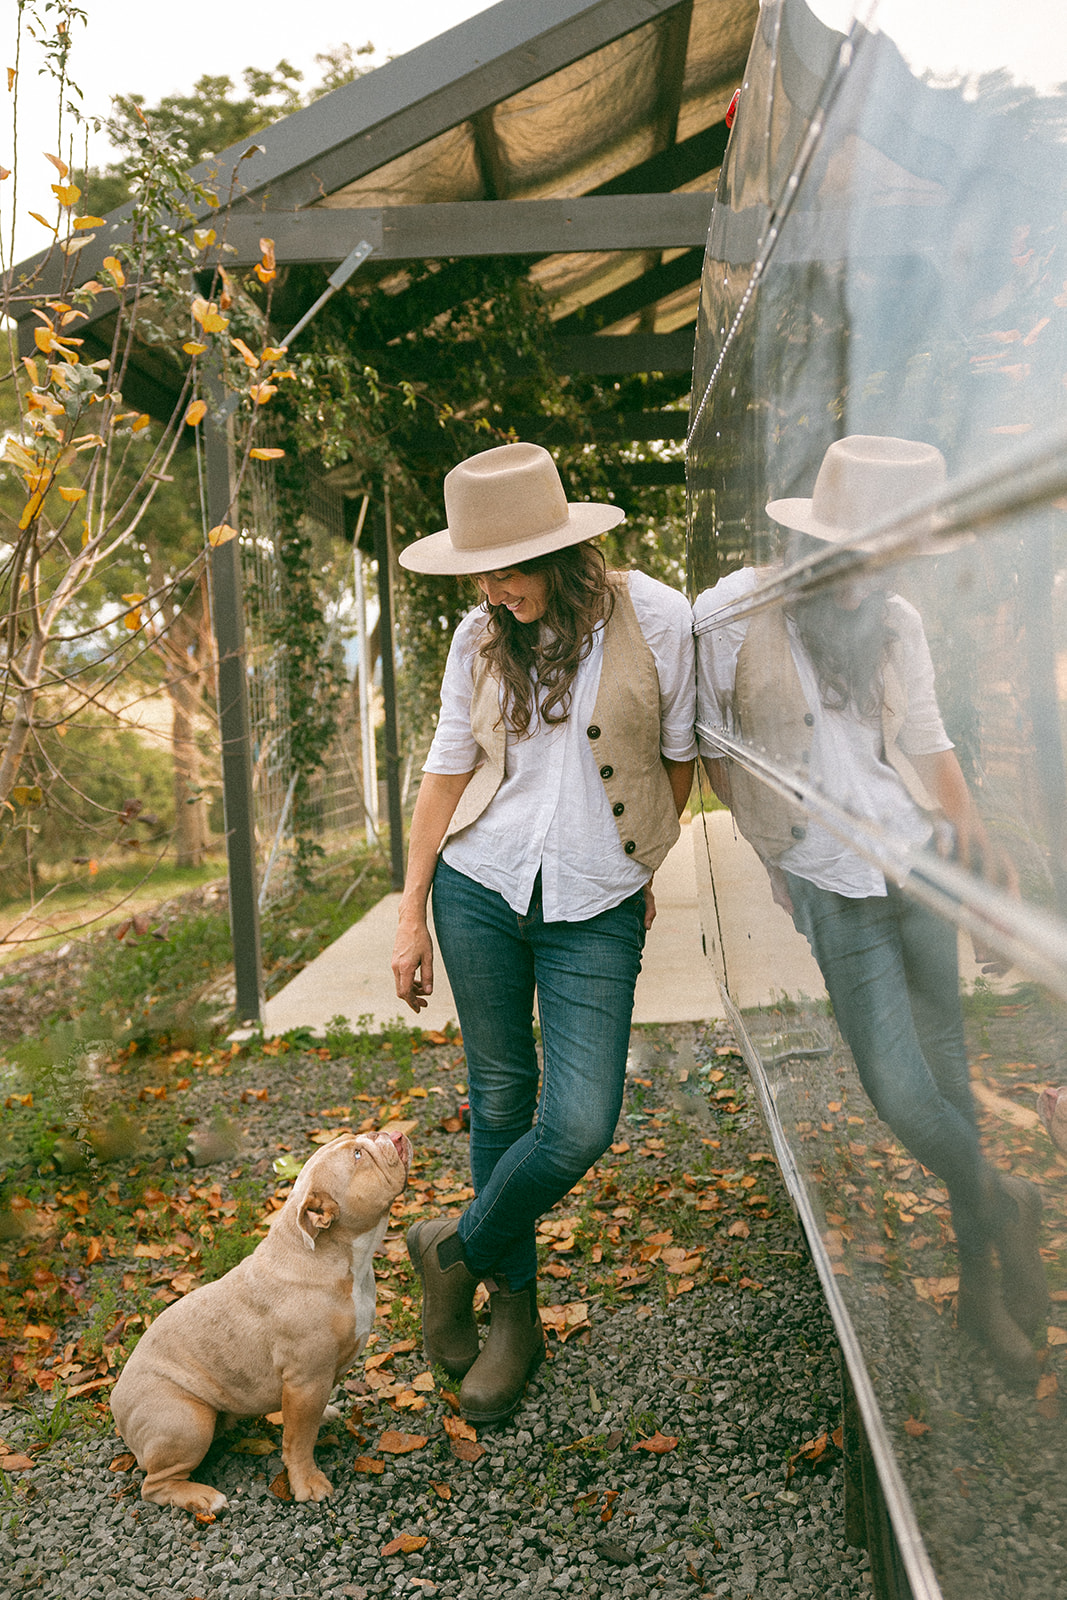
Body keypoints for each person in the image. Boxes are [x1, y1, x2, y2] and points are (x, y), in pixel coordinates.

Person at [694, 434, 1048, 1382]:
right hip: (831, 880)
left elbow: (927, 741)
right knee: (898, 1089)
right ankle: (1008, 1203)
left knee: (948, 1077)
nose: (870, 580)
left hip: (920, 866)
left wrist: (978, 846)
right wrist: (772, 852)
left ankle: (980, 1288)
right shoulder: (729, 614)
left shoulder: (895, 621)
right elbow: (715, 749)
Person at [391, 441, 696, 1422]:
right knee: (497, 1096)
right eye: (479, 570)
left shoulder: (655, 617)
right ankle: (511, 1315)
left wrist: (634, 862)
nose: (492, 588)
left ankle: (453, 1250)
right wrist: (410, 912)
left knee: (576, 1123)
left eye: (509, 568)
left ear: (565, 555)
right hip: (477, 885)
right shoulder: (476, 639)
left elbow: (676, 756)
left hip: (592, 900)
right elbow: (443, 773)